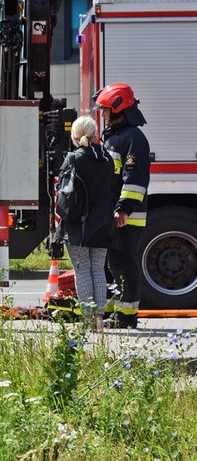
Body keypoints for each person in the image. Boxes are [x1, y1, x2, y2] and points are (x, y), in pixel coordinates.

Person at [52, 116, 119, 331]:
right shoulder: (107, 159)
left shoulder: (73, 158)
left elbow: (61, 191)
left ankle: (88, 319)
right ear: (95, 134)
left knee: (81, 270)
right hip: (102, 223)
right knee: (98, 269)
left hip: (77, 225)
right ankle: (99, 318)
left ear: (74, 135)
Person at [93, 83, 150, 329]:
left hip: (127, 217)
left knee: (124, 265)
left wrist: (124, 208)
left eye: (106, 110)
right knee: (110, 266)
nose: (103, 115)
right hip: (112, 216)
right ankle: (111, 313)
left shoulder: (134, 138)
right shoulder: (114, 137)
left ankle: (127, 317)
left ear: (119, 110)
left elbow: (134, 178)